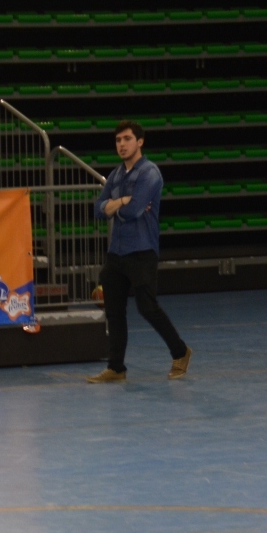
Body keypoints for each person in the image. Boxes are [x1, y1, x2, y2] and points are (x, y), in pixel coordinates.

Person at [88, 120, 192, 383]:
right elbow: (97, 210)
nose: (121, 145)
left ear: (140, 142)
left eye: (127, 139)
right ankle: (116, 368)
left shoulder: (150, 173)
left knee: (148, 308)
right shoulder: (116, 175)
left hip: (142, 250)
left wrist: (115, 205)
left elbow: (133, 211)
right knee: (114, 311)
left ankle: (180, 352)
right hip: (117, 252)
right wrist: (122, 201)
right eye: (118, 140)